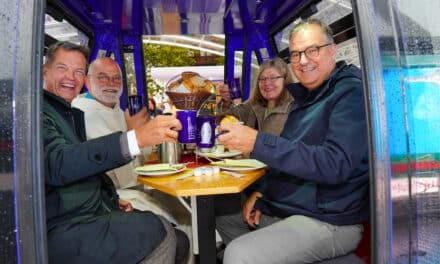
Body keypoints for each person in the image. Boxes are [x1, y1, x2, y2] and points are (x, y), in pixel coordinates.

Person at [216, 18, 369, 264]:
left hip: (331, 220)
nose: (303, 60)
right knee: (223, 217)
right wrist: (263, 193)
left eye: (312, 50)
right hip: (294, 208)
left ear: (332, 49)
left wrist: (257, 142)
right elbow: (291, 158)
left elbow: (334, 164)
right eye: (296, 54)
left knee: (238, 253)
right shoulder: (305, 99)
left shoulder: (350, 93)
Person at [43, 41, 188, 264]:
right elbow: (60, 163)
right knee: (161, 231)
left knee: (178, 235)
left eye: (78, 71)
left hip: (89, 208)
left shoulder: (68, 112)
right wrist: (134, 135)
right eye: (62, 68)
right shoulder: (38, 112)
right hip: (58, 227)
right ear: (45, 71)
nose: (70, 77)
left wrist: (107, 198)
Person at [218, 57, 294, 136]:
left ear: (285, 80)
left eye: (273, 78)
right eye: (262, 79)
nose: (267, 83)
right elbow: (223, 118)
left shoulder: (295, 110)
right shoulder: (253, 105)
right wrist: (226, 101)